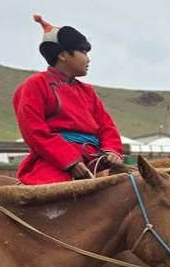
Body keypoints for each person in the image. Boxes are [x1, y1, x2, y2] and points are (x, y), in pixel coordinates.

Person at [12, 15, 123, 185]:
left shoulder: (87, 91)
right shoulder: (36, 84)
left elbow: (106, 125)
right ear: (63, 54)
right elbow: (34, 130)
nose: (88, 59)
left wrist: (112, 150)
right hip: (55, 161)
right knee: (55, 193)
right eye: (83, 52)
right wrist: (70, 161)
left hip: (94, 158)